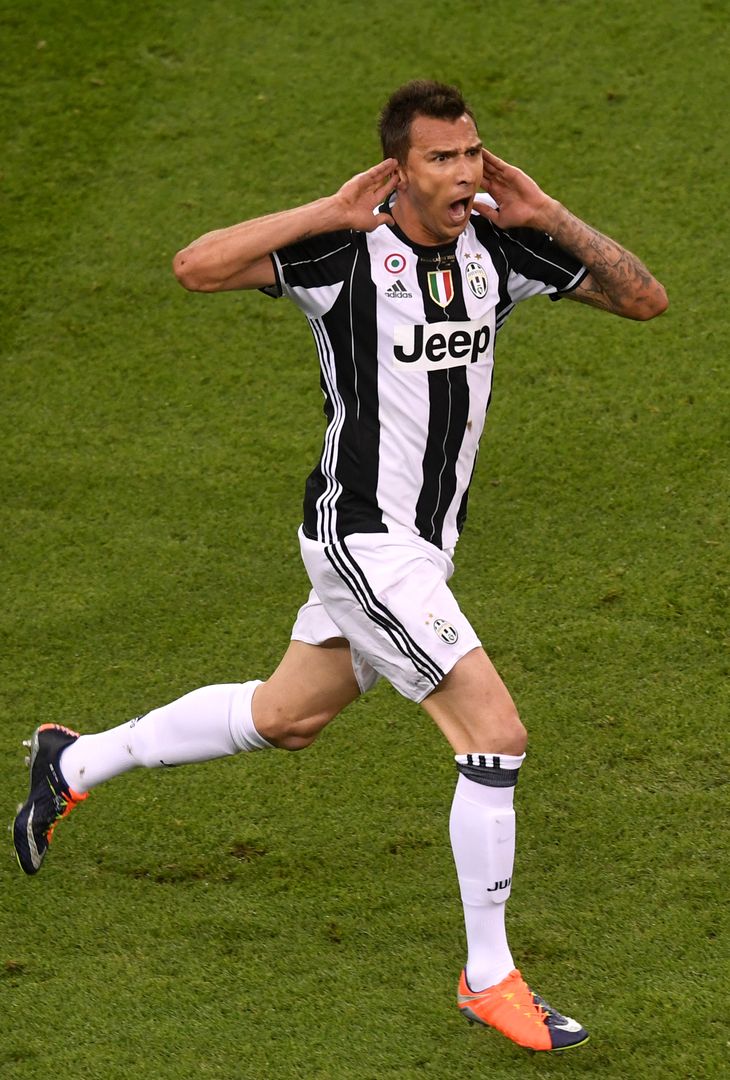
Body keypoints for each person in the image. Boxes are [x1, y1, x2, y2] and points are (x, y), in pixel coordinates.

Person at [13, 80, 667, 1053]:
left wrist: (552, 215)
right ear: (398, 169)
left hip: (421, 551)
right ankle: (487, 975)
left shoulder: (501, 248)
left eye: (473, 153)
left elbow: (643, 300)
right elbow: (195, 268)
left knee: (289, 717)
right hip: (361, 536)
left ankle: (72, 761)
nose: (464, 172)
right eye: (441, 157)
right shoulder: (342, 254)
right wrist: (325, 208)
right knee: (494, 733)